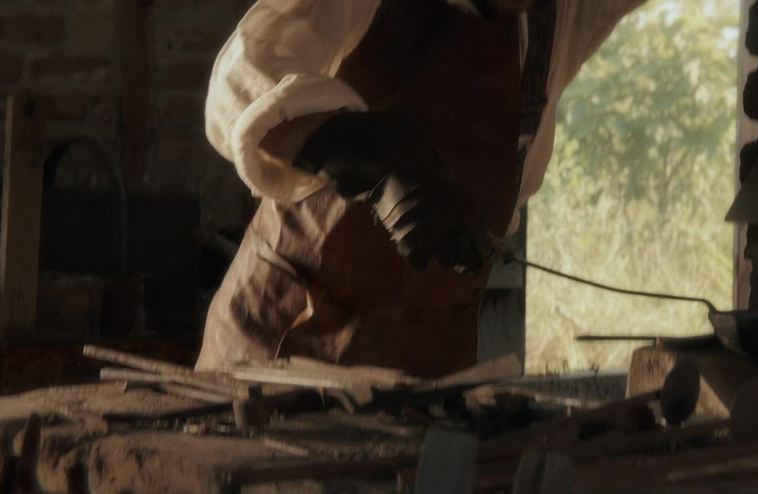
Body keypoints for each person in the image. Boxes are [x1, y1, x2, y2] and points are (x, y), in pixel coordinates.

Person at [198, 0, 646, 377]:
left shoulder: (562, 15)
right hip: (281, 353)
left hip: (428, 374)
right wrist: (368, 156)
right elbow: (240, 81)